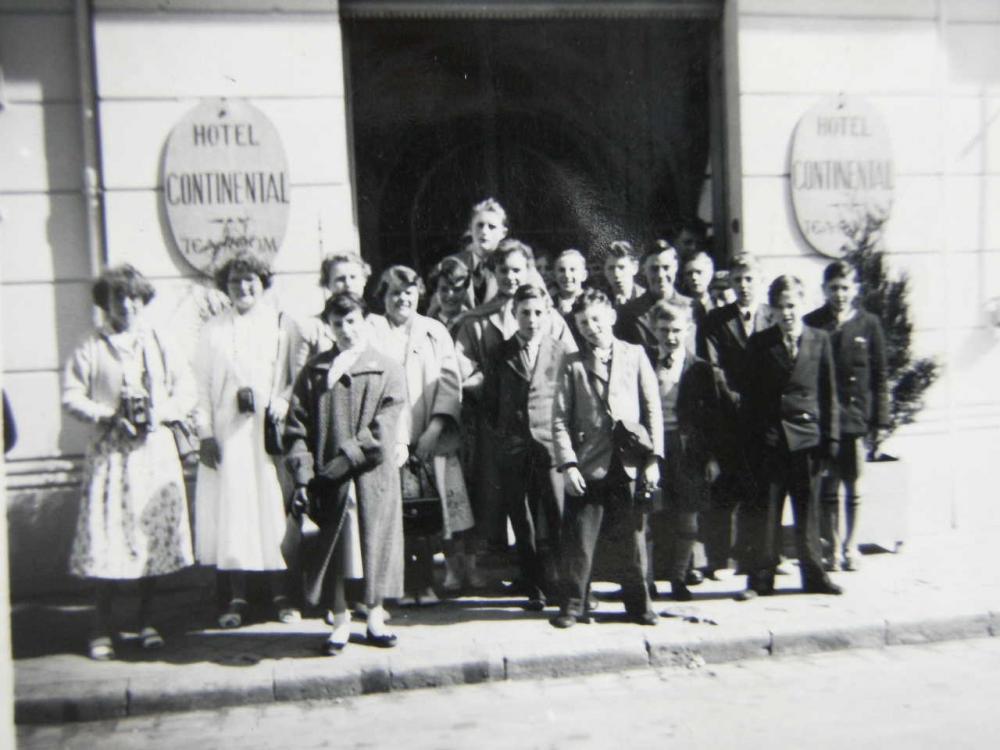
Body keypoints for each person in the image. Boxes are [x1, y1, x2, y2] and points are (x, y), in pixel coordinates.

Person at [63, 264, 196, 659]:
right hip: (111, 459)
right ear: (106, 303)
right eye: (118, 297)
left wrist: (161, 413)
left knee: (148, 538)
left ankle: (145, 620)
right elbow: (72, 395)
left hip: (151, 456)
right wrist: (106, 414)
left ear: (144, 301)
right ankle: (101, 626)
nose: (127, 305)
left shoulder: (159, 342)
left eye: (134, 297)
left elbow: (185, 391)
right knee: (108, 538)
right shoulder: (92, 345)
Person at [285, 292, 408, 652]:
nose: (345, 330)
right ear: (329, 327)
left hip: (371, 476)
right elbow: (297, 429)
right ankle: (339, 618)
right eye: (337, 324)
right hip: (327, 479)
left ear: (365, 321)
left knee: (375, 543)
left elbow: (384, 427)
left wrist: (347, 458)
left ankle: (375, 615)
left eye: (352, 321)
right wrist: (305, 475)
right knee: (334, 547)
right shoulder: (314, 371)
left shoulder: (387, 368)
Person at [194, 252, 299, 628]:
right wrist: (205, 434)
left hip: (266, 434)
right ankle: (235, 598)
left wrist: (283, 402)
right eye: (236, 281)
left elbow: (291, 376)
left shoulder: (279, 326)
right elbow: (202, 386)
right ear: (226, 286)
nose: (243, 287)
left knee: (271, 509)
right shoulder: (213, 330)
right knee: (234, 513)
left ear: (262, 282)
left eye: (250, 279)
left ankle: (282, 595)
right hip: (228, 433)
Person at [455, 239, 577, 555]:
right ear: (493, 272)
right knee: (506, 502)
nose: (510, 277)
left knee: (550, 502)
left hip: (547, 425)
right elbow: (462, 371)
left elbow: (572, 368)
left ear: (528, 271)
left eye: (517, 270)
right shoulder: (475, 321)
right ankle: (514, 567)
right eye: (503, 270)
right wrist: (501, 389)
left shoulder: (548, 317)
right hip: (498, 424)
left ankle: (550, 568)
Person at [550, 289, 663, 628]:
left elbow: (652, 408)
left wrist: (655, 458)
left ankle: (639, 606)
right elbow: (558, 418)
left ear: (611, 316)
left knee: (632, 539)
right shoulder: (571, 364)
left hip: (628, 460)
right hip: (588, 463)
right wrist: (568, 464)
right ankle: (573, 605)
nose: (590, 327)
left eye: (596, 319)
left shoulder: (635, 354)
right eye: (583, 322)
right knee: (580, 541)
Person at [368, 266, 477, 602]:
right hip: (390, 437)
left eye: (408, 292)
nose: (402, 299)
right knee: (396, 515)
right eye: (394, 293)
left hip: (432, 434)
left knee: (432, 512)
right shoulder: (372, 329)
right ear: (383, 297)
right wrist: (390, 436)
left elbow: (449, 381)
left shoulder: (433, 330)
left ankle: (428, 581)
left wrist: (435, 427)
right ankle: (400, 585)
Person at [737, 275, 843, 600]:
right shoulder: (760, 343)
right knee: (767, 511)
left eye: (793, 305)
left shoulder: (819, 340)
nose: (787, 313)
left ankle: (814, 575)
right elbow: (750, 397)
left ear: (803, 303)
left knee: (808, 510)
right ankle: (761, 580)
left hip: (807, 440)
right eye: (781, 307)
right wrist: (753, 441)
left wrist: (832, 439)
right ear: (772, 309)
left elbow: (828, 393)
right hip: (771, 440)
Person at [482, 283, 570, 611]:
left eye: (537, 313)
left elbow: (566, 398)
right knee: (522, 518)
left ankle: (562, 583)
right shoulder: (500, 354)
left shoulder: (559, 350)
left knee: (556, 514)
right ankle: (534, 585)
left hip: (549, 446)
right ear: (514, 314)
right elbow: (490, 403)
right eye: (524, 313)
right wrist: (505, 435)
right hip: (514, 446)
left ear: (546, 314)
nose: (531, 320)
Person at [804, 260, 890, 572]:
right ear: (824, 290)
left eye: (845, 288)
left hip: (854, 420)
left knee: (853, 486)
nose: (839, 294)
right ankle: (831, 547)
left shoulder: (869, 325)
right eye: (833, 288)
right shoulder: (812, 323)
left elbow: (880, 378)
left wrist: (880, 422)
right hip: (825, 420)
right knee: (828, 487)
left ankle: (851, 547)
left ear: (855, 290)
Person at [696, 253, 772, 579]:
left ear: (760, 281)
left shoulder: (771, 316)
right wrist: (739, 401)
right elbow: (713, 370)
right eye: (737, 280)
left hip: (765, 419)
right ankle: (721, 560)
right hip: (727, 418)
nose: (743, 286)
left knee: (759, 491)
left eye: (749, 279)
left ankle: (755, 557)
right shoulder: (716, 321)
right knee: (725, 490)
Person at [647, 301, 728, 601]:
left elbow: (713, 420)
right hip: (653, 447)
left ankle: (678, 577)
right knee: (650, 515)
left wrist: (712, 458)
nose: (670, 336)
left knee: (686, 517)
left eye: (677, 330)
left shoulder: (701, 369)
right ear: (654, 329)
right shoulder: (643, 360)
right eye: (664, 330)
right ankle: (648, 579)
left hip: (688, 449)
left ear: (688, 330)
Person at [614, 239, 693, 366]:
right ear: (644, 270)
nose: (661, 275)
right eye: (654, 269)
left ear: (676, 268)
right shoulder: (628, 313)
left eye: (666, 268)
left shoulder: (693, 307)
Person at [291, 251, 372, 372]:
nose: (348, 284)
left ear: (364, 281)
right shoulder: (310, 329)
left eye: (353, 277)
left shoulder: (378, 324)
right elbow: (299, 381)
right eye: (340, 279)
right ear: (327, 284)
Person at [455, 198, 509, 308]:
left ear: (503, 233)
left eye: (491, 227)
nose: (484, 231)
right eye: (480, 225)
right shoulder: (455, 264)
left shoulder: (515, 265)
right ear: (470, 228)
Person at [426, 255, 473, 333]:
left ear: (465, 291)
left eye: (457, 289)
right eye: (444, 289)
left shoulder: (473, 323)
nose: (450, 295)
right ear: (436, 291)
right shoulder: (427, 325)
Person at [603, 240, 645, 309]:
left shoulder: (646, 298)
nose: (616, 274)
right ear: (605, 271)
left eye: (621, 267)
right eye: (611, 268)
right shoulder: (600, 302)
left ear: (635, 268)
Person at [681, 251, 715, 326]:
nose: (694, 277)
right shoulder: (679, 307)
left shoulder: (719, 305)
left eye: (699, 272)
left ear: (710, 274)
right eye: (689, 273)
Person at [552, 249, 588, 317]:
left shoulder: (592, 301)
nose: (567, 275)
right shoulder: (549, 303)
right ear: (554, 276)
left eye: (572, 269)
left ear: (583, 275)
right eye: (561, 270)